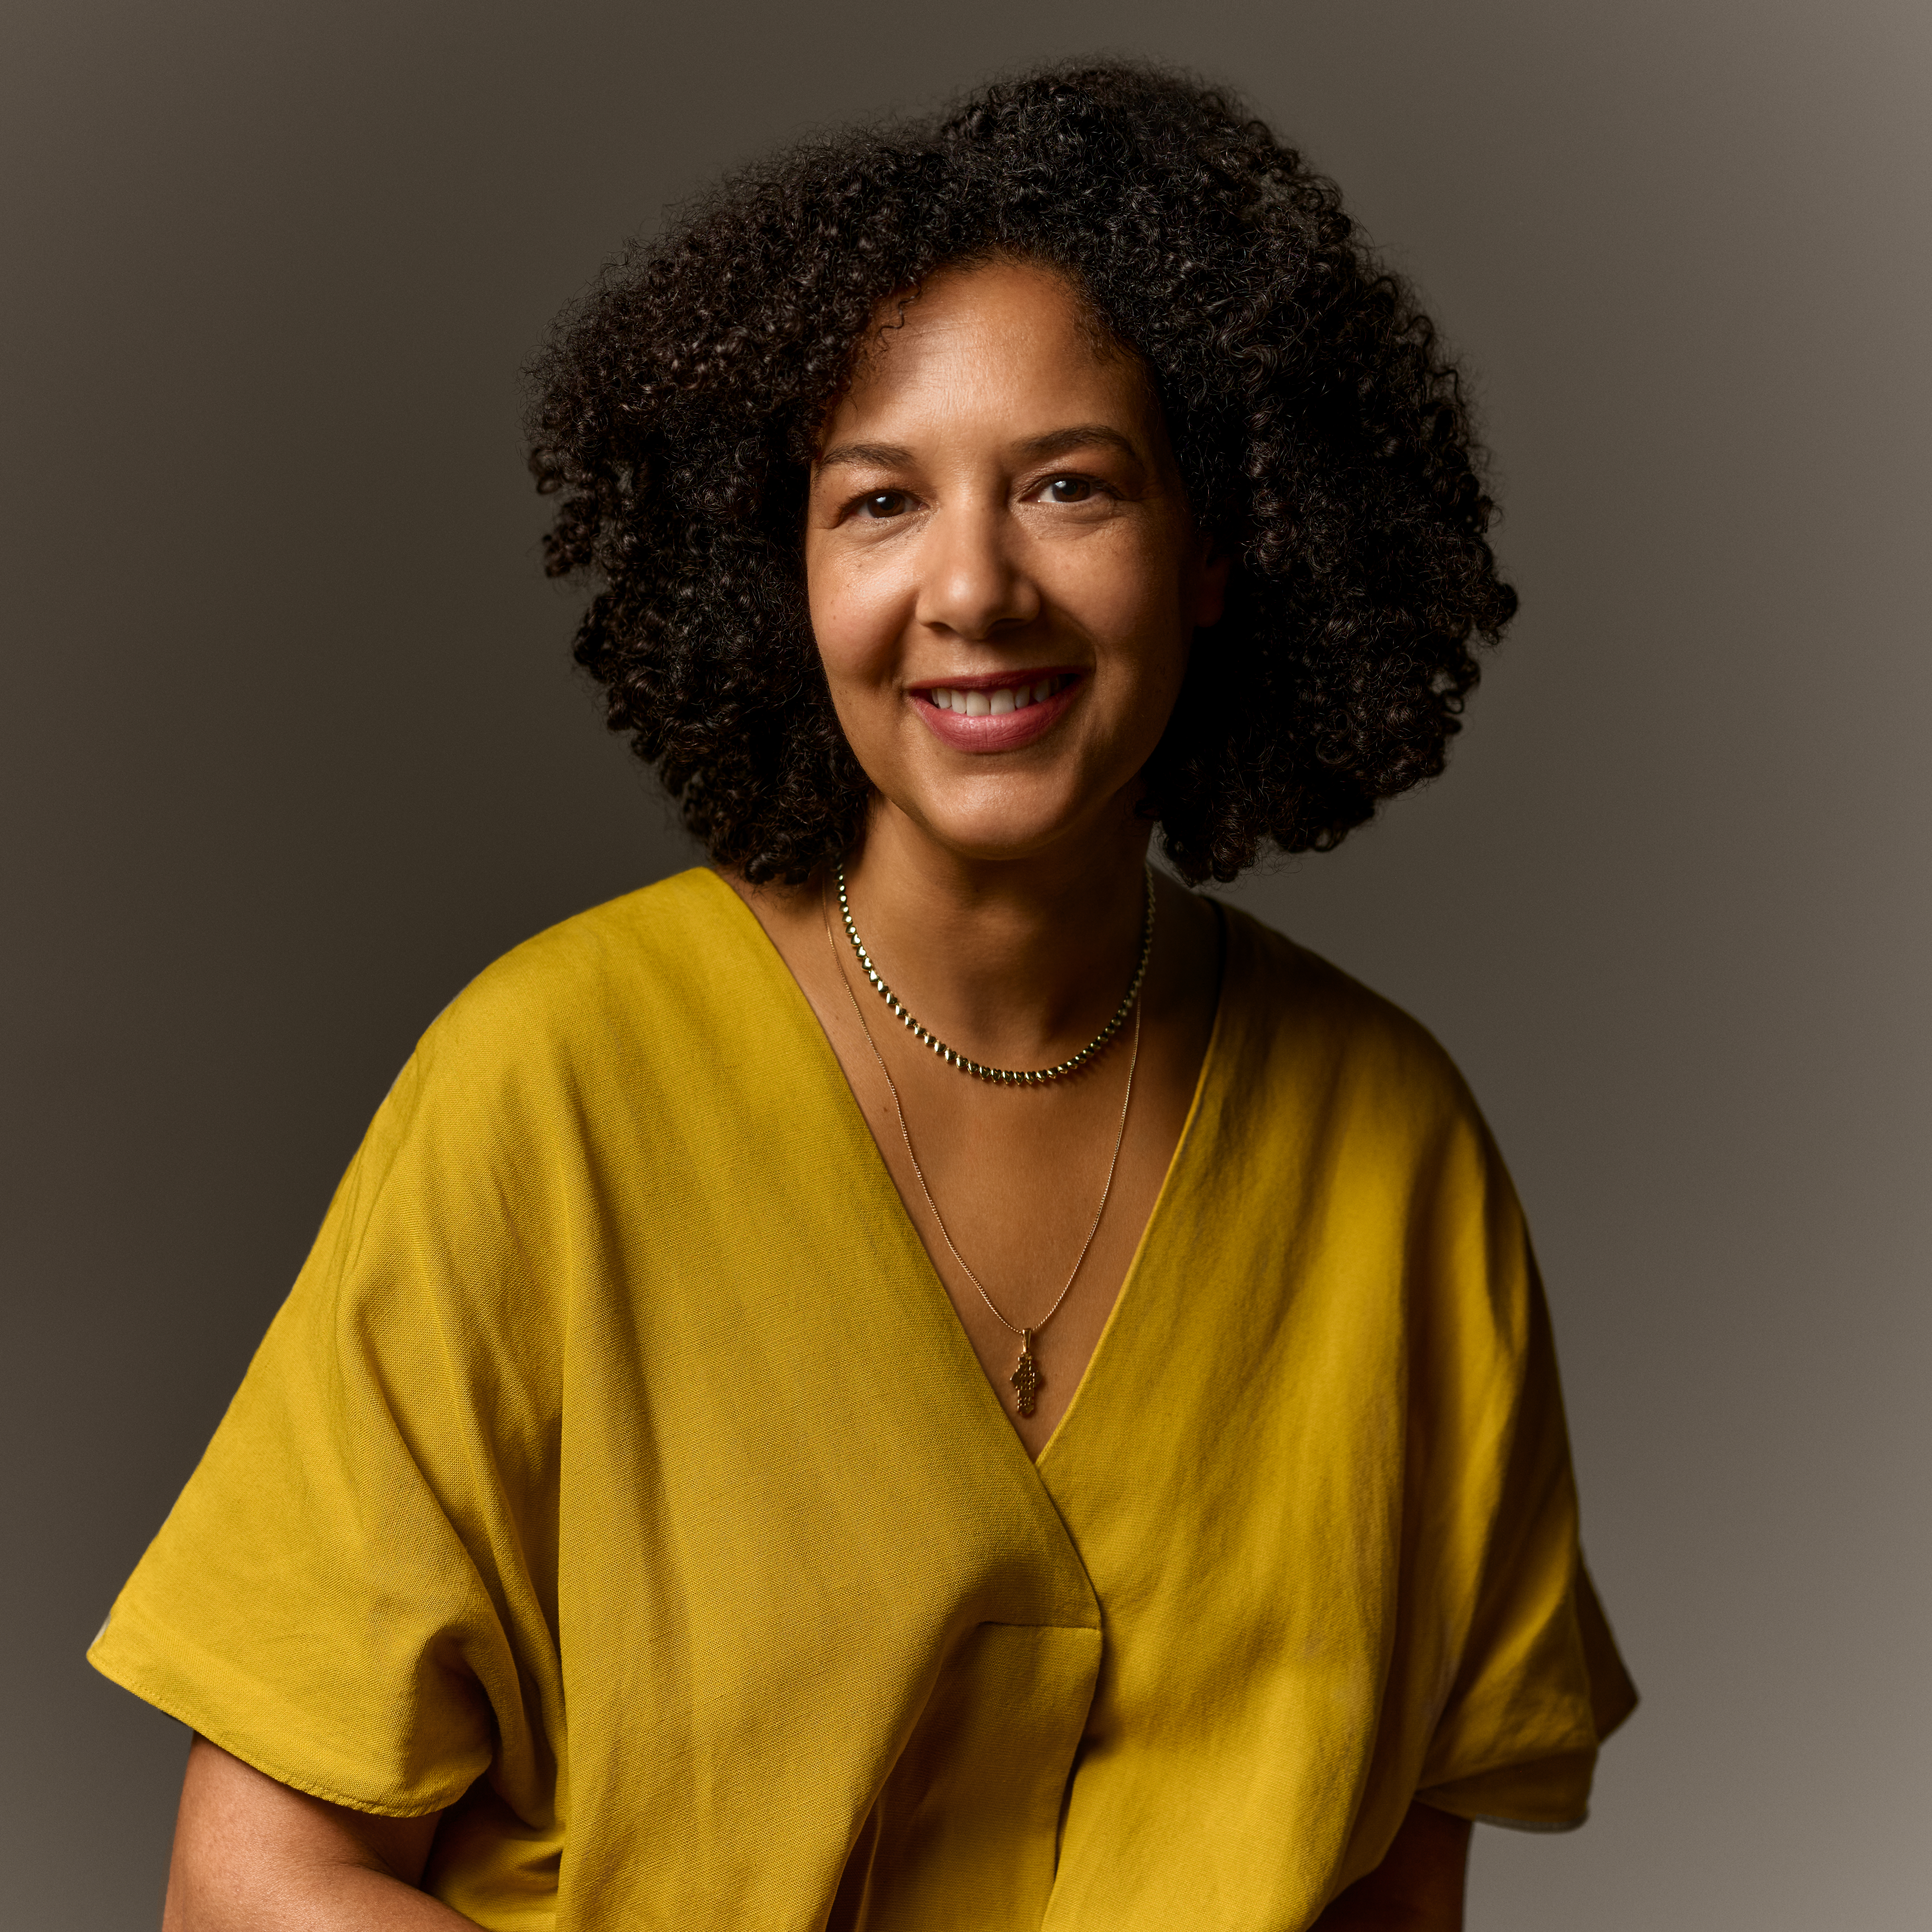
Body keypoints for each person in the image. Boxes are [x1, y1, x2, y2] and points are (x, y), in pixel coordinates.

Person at [92, 60, 1635, 1932]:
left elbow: (1398, 1888)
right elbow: (250, 1879)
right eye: (879, 501)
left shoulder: (1399, 1160)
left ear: (1224, 546)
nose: (972, 587)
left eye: (1070, 485)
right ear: (785, 573)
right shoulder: (545, 1088)